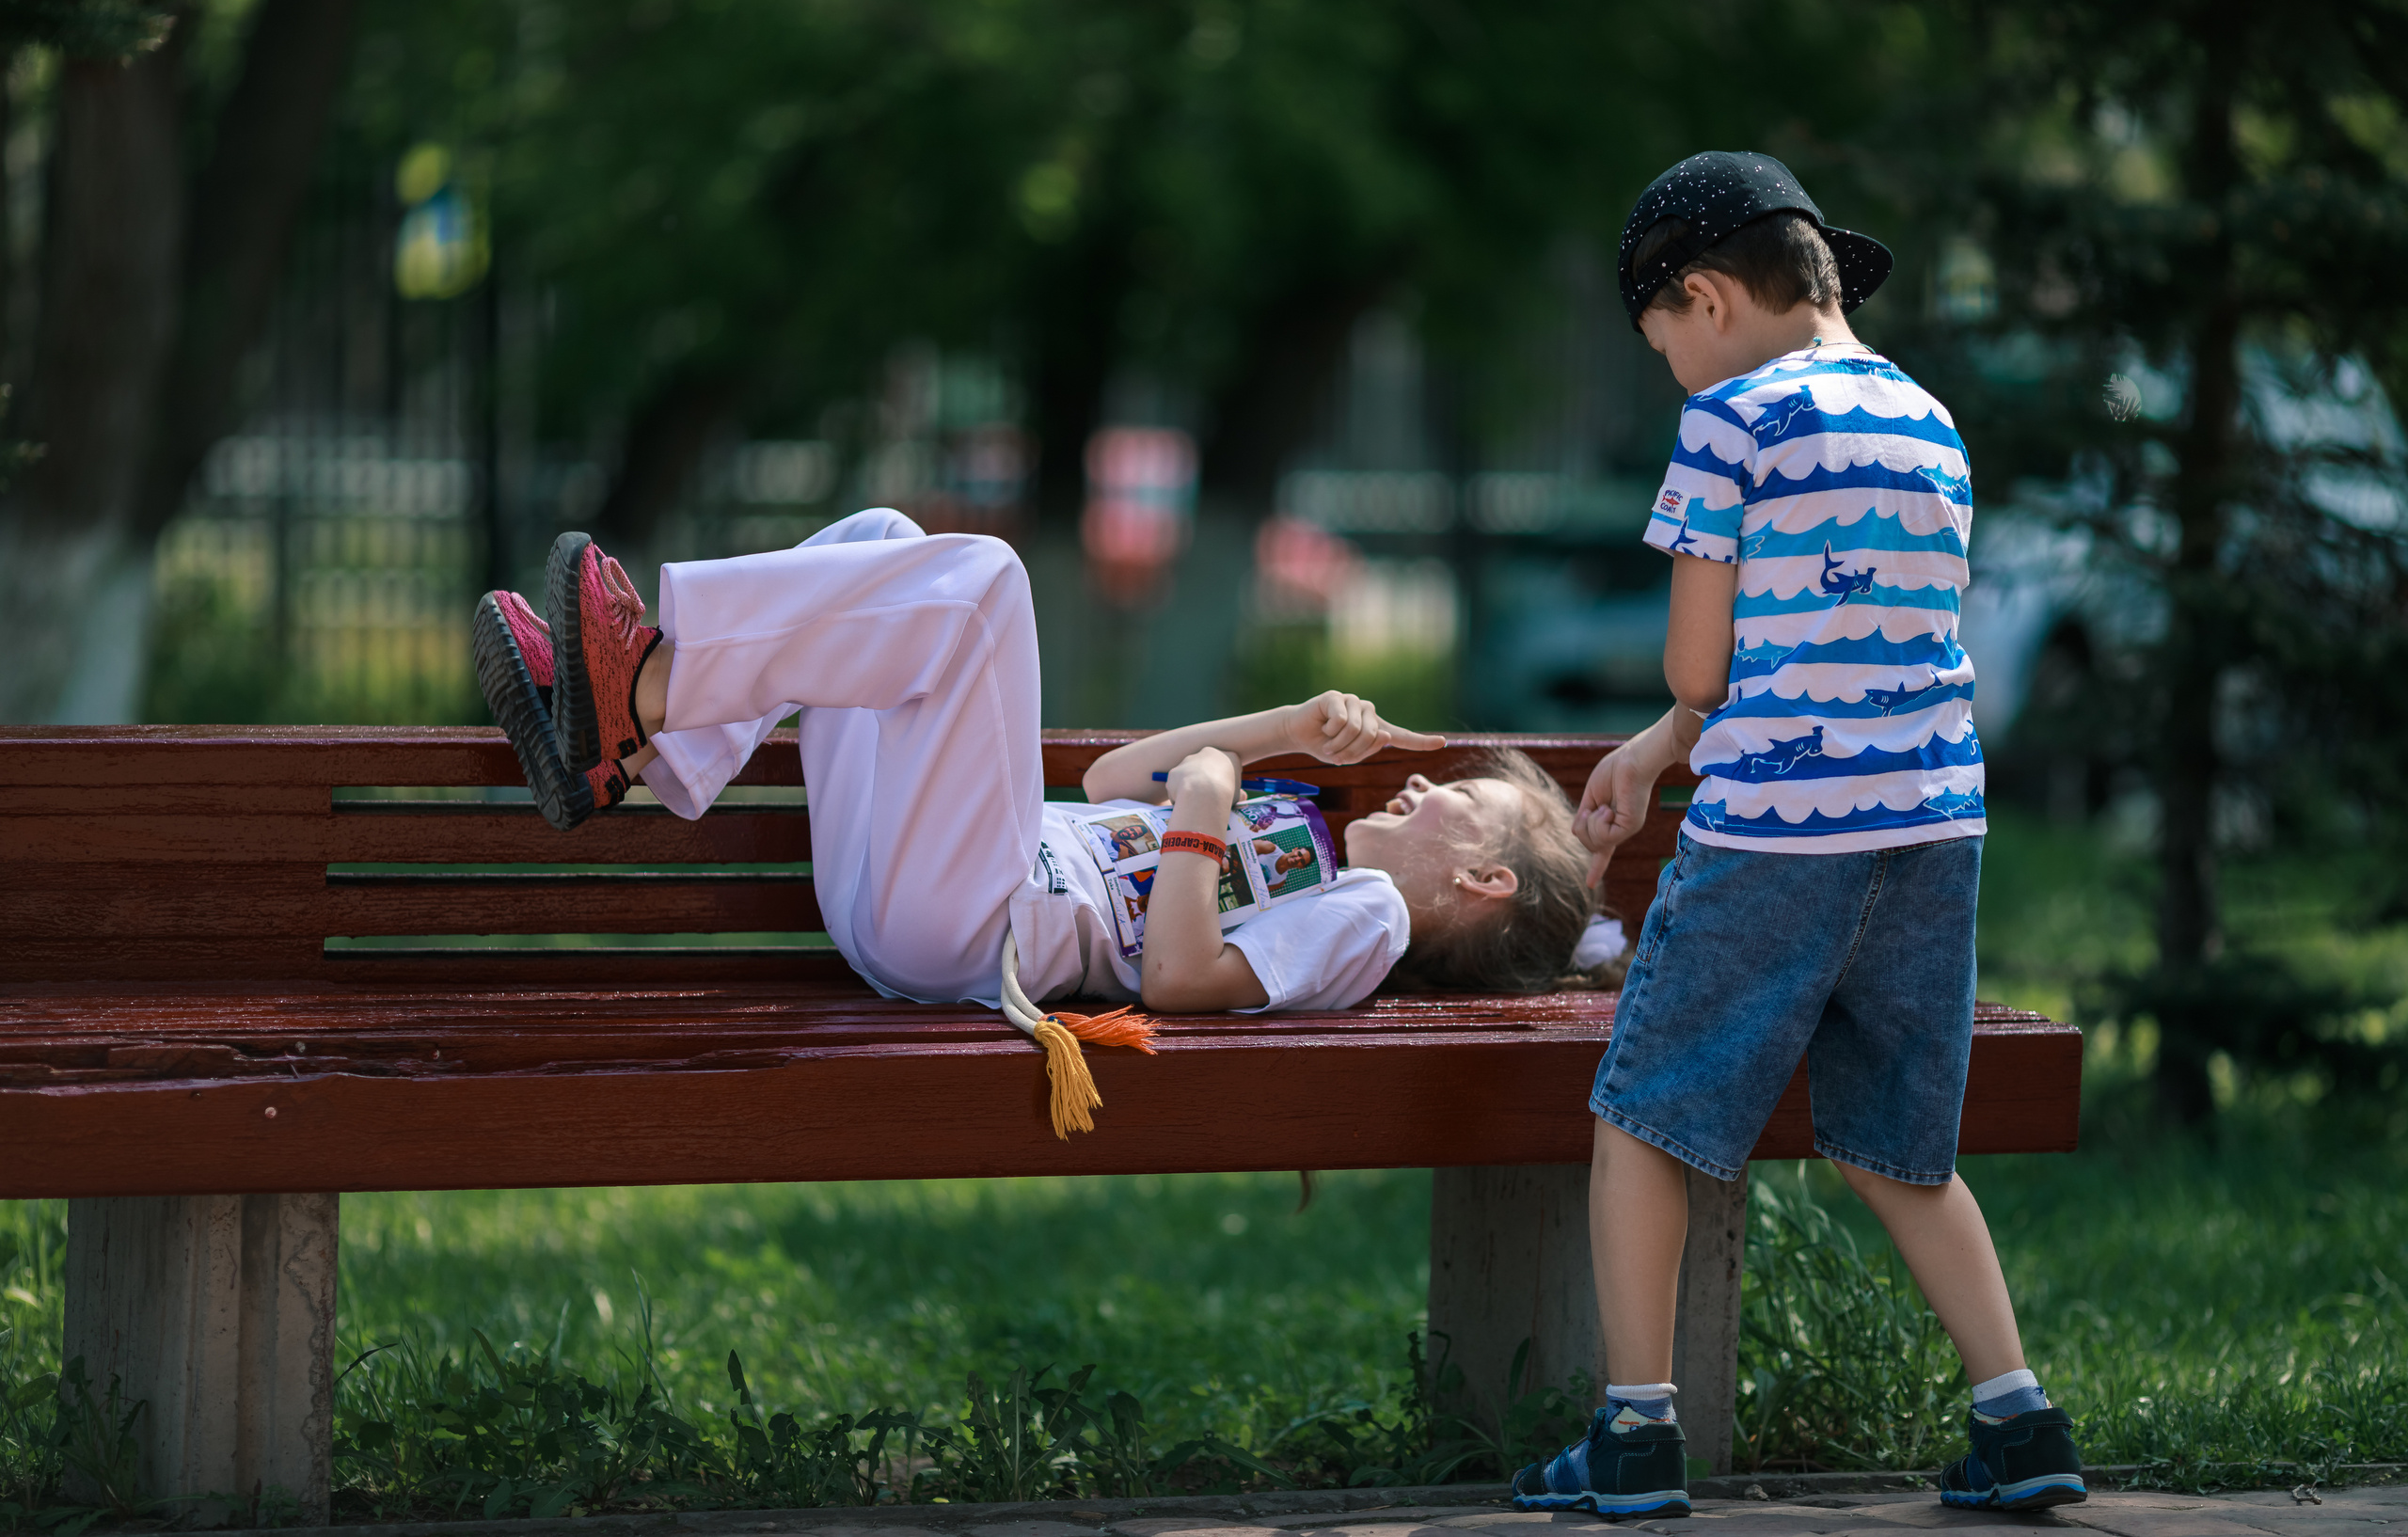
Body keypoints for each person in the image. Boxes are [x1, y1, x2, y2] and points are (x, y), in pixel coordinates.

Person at [1511, 153, 2085, 1518]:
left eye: (1665, 347)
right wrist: (1655, 752)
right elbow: (1837, 651)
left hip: (1778, 833)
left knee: (1642, 1114)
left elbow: (1707, 667)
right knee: (1900, 1144)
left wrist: (1677, 714)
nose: (1676, 376)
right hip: (1933, 824)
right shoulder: (1929, 416)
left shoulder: (1731, 423)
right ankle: (2018, 1414)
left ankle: (1638, 1430)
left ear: (1704, 299)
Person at [469, 508, 1595, 1029]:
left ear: (1482, 881)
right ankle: (632, 743)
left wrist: (1204, 818)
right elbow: (1111, 785)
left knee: (989, 582)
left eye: (1459, 801)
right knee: (879, 537)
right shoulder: (1305, 836)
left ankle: (647, 694)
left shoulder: (1366, 920)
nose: (1424, 785)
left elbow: (1184, 982)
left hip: (973, 925)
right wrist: (1278, 727)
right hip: (924, 897)